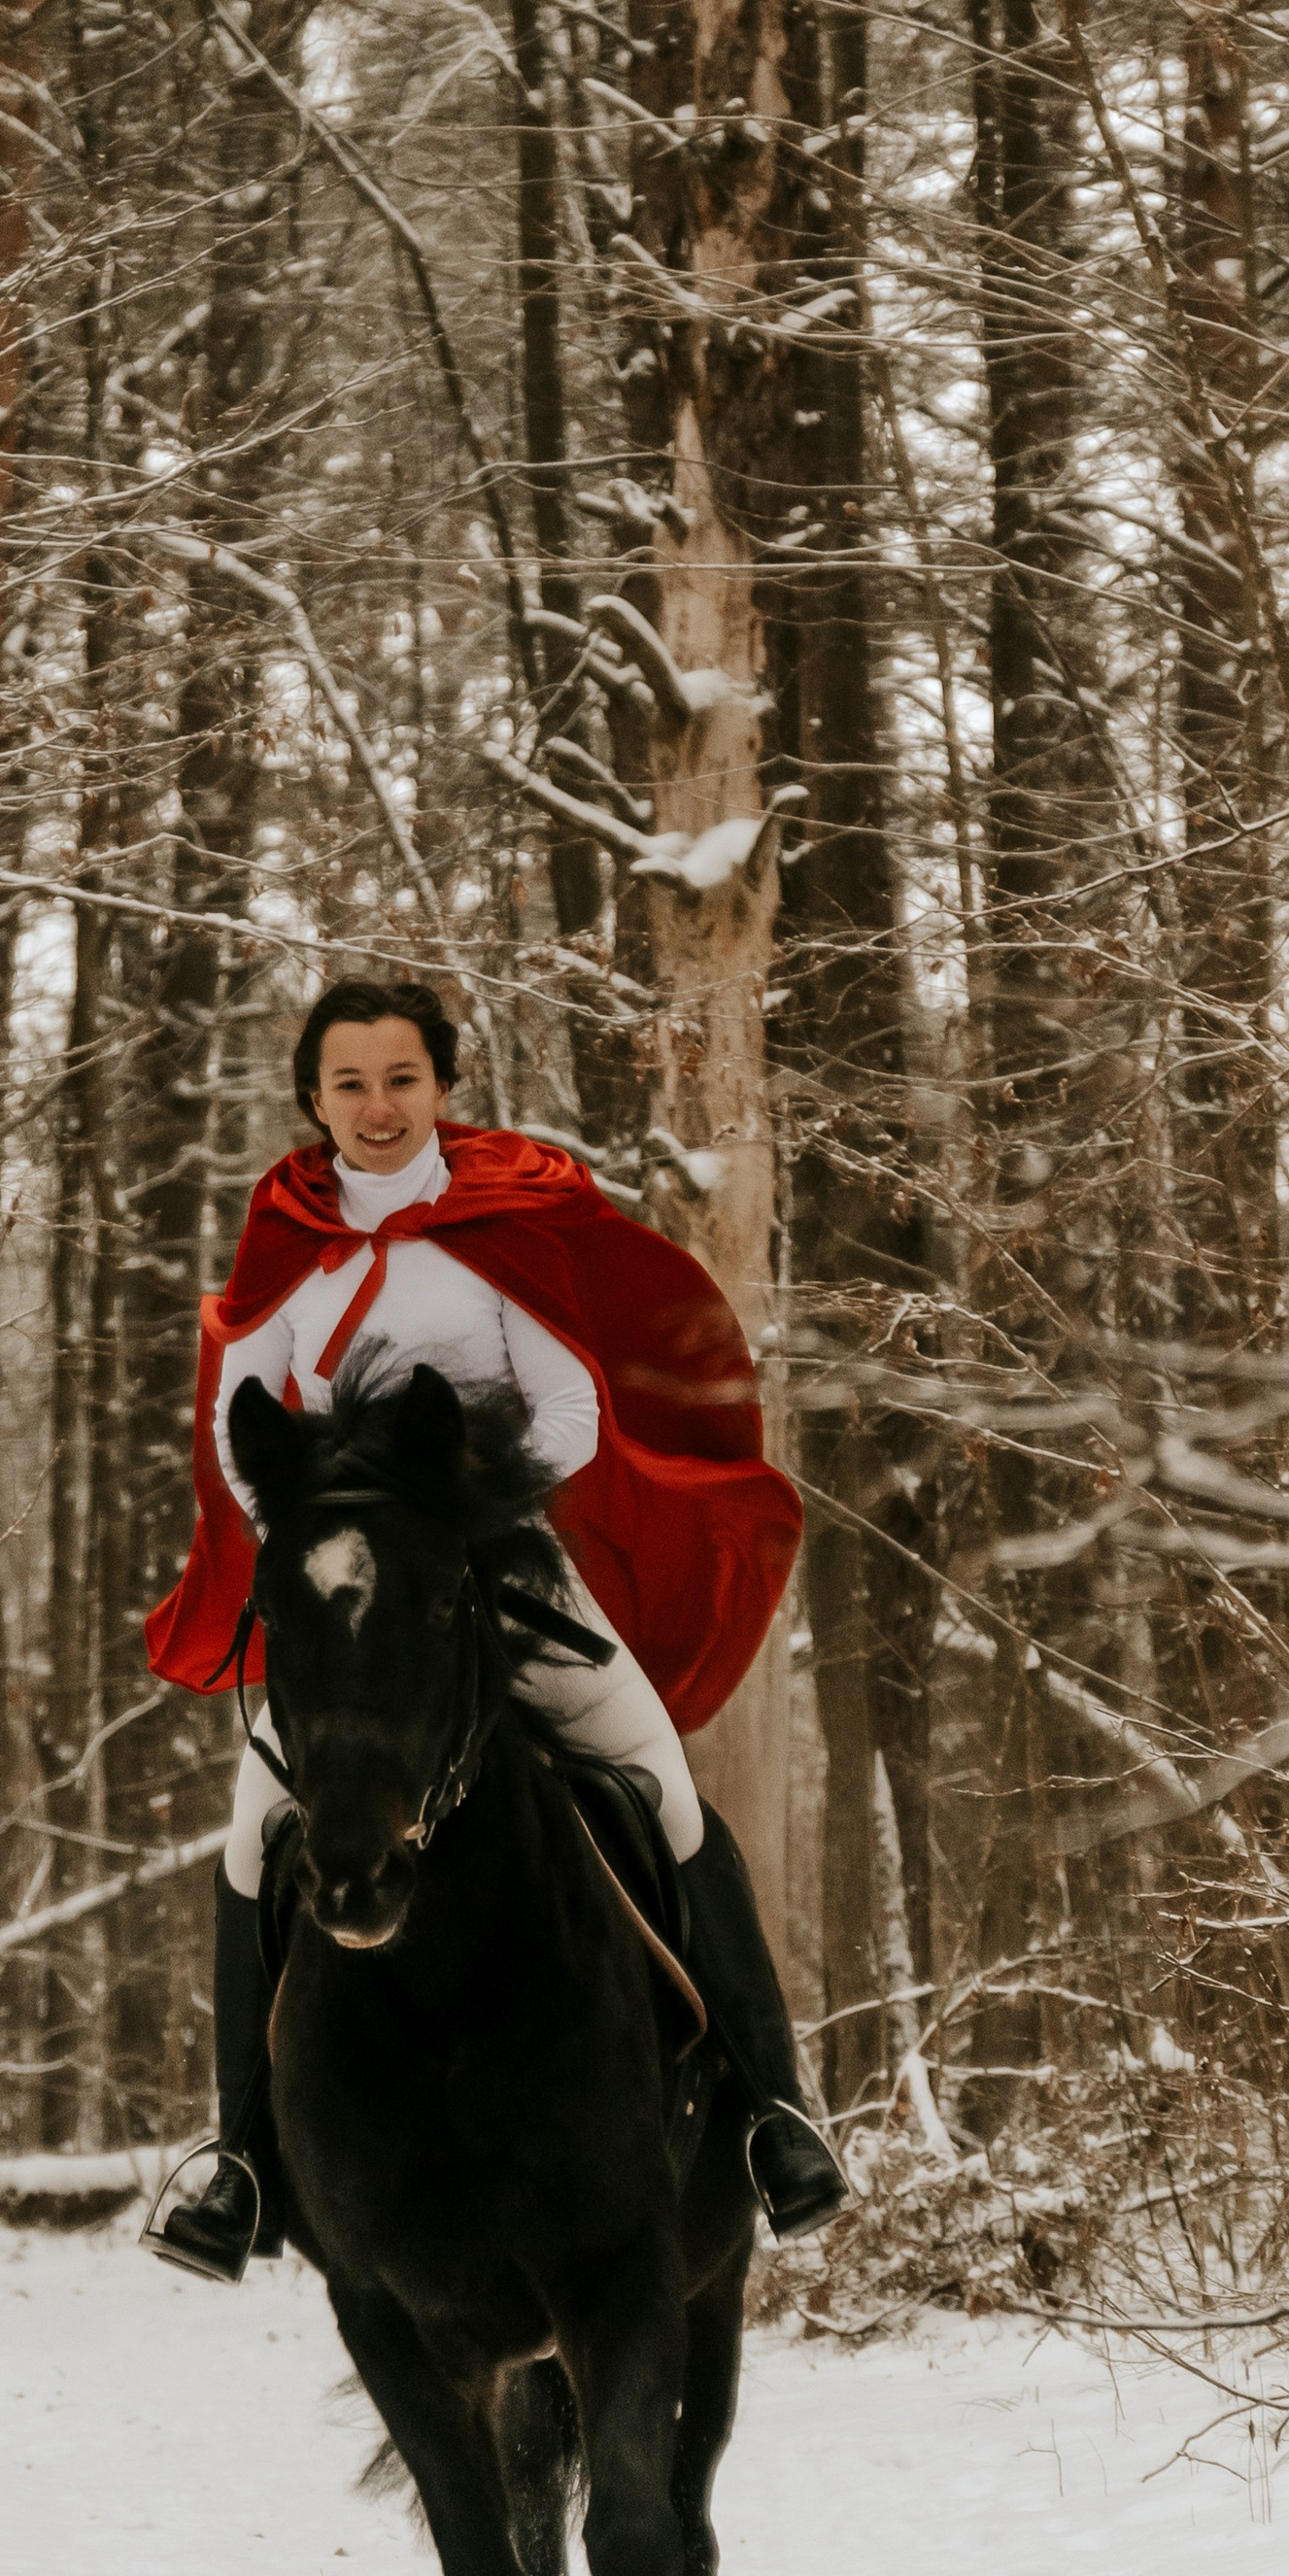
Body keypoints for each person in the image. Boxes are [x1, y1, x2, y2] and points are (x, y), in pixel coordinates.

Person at [142, 976, 849, 2282]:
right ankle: (236, 2159)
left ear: (443, 1089)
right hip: (353, 1609)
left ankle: (773, 2113)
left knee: (662, 1788)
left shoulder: (505, 1227)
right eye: (348, 1082)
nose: (376, 1105)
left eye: (401, 1078)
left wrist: (456, 1501)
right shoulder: (281, 1254)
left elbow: (573, 1412)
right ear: (313, 1098)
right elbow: (240, 1438)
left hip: (501, 1575)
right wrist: (326, 1518)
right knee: (253, 1843)